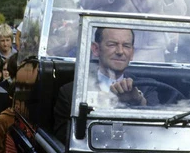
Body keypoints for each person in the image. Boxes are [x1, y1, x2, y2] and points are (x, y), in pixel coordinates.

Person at [52, 28, 182, 141]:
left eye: (126, 46)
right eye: (112, 44)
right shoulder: (72, 92)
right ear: (96, 49)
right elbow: (64, 140)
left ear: (132, 53)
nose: (120, 51)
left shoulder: (147, 87)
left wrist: (138, 100)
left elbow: (159, 132)